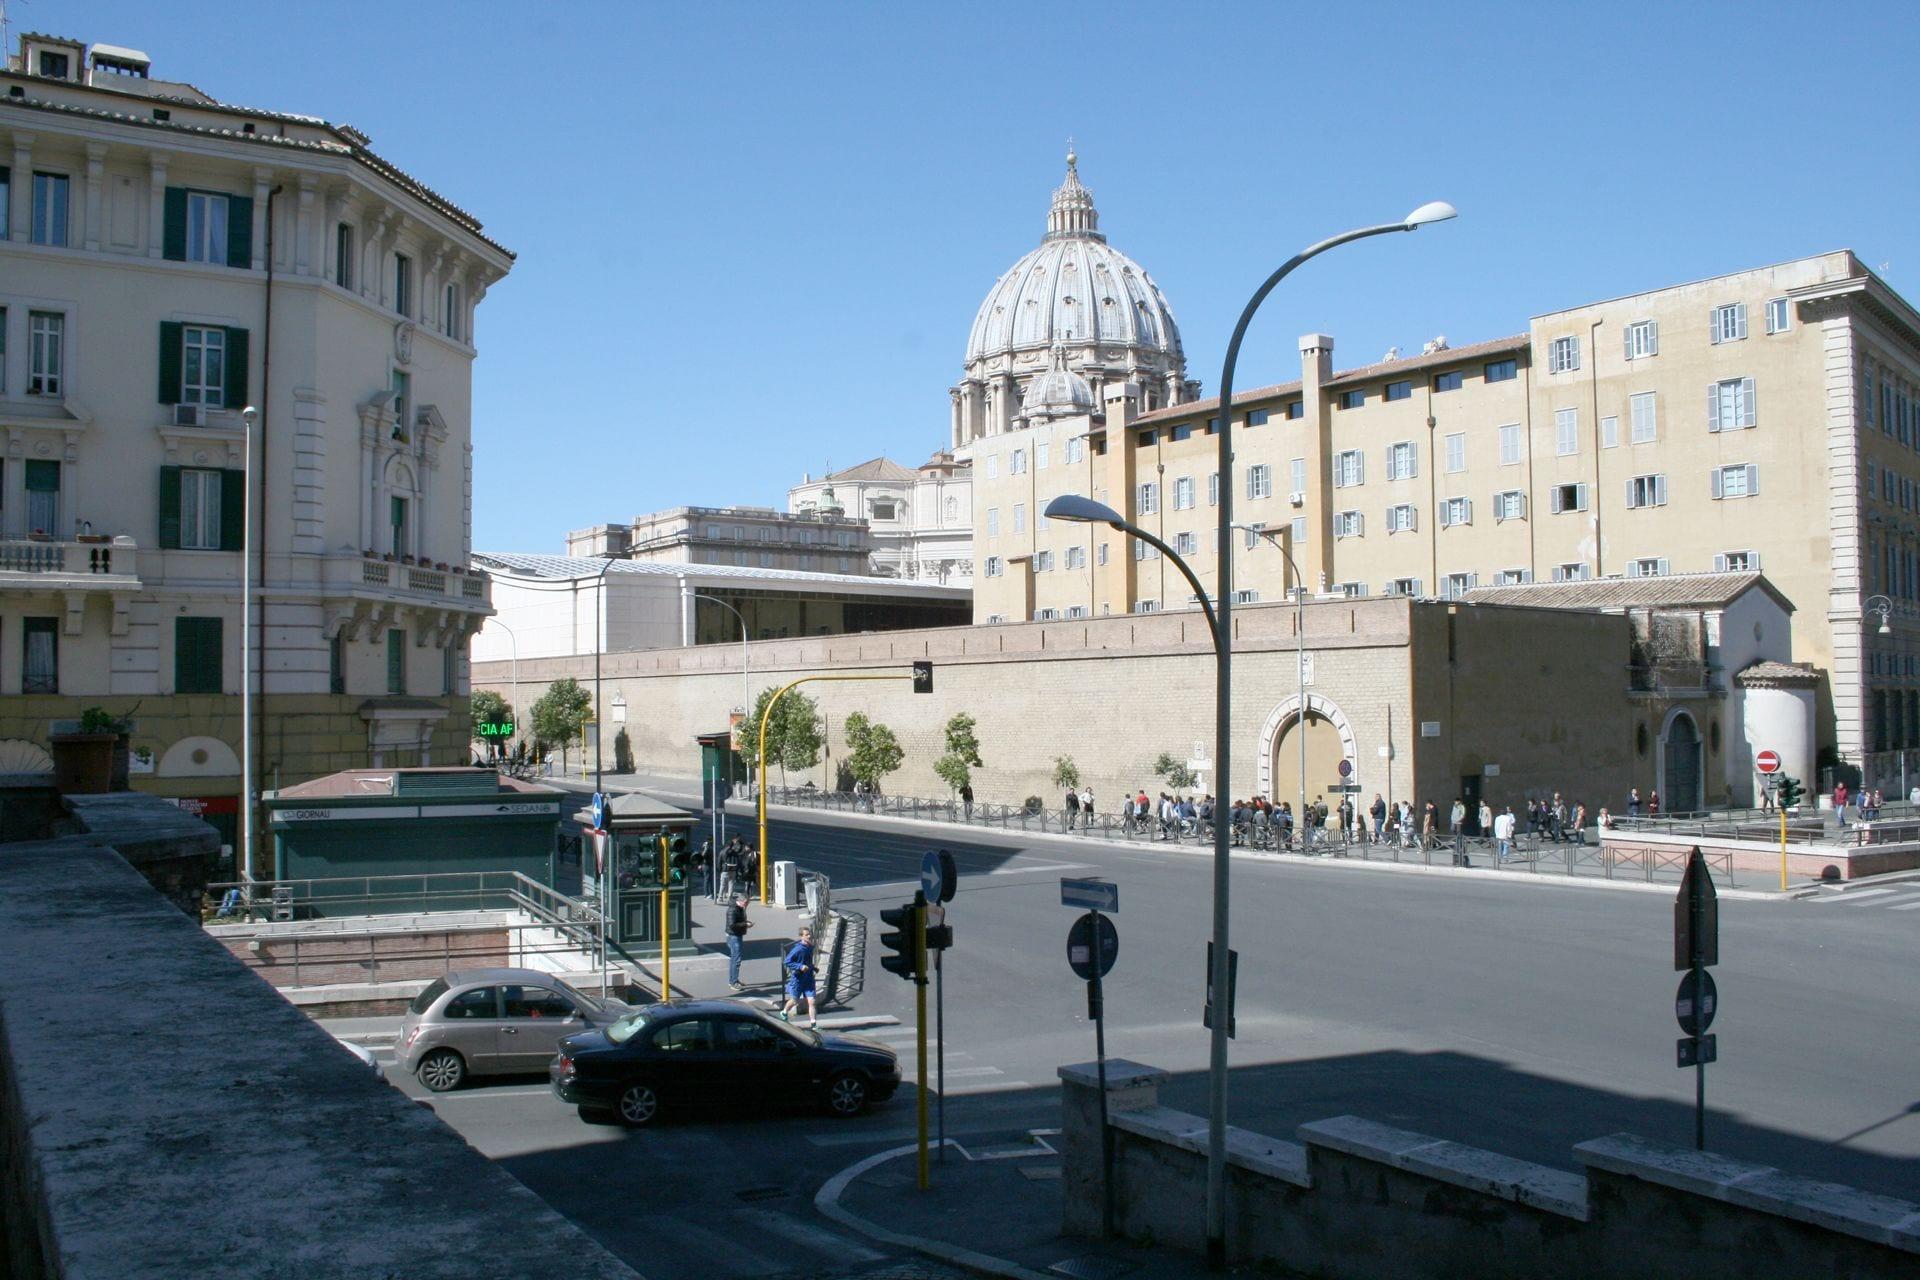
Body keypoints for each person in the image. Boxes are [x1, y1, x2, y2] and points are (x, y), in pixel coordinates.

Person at [780, 927, 818, 1028]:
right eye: (806, 935)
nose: (809, 936)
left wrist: (813, 967)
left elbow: (807, 961)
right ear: (801, 936)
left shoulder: (810, 947)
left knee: (812, 1001)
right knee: (795, 1000)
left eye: (809, 934)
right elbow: (787, 961)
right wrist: (800, 967)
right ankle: (784, 1012)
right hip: (798, 979)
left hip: (809, 978)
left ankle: (813, 1024)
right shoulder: (797, 949)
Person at [724, 892, 753, 990]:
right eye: (746, 903)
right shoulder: (732, 910)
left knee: (734, 959)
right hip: (733, 936)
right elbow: (732, 925)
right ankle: (733, 982)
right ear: (740, 901)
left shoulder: (739, 908)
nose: (747, 905)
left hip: (736, 935)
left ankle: (733, 980)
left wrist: (745, 923)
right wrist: (745, 924)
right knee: (736, 960)